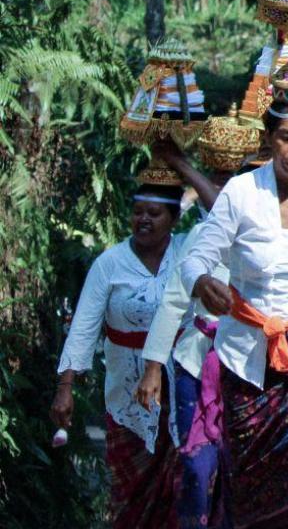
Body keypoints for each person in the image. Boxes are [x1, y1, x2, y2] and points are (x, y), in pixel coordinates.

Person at [179, 101, 288, 529]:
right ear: (269, 138)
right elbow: (196, 259)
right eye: (287, 137)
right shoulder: (241, 192)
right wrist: (202, 282)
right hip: (244, 362)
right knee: (250, 503)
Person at [52, 179, 186, 529]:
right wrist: (65, 388)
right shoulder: (109, 264)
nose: (144, 219)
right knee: (129, 494)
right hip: (127, 394)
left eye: (154, 213)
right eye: (138, 212)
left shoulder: (190, 251)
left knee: (183, 487)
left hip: (183, 389)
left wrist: (184, 167)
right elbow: (83, 327)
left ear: (174, 218)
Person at [136, 142, 232, 529]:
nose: (221, 192)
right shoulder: (200, 236)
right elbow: (174, 301)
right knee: (196, 464)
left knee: (238, 466)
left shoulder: (270, 229)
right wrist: (152, 368)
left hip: (249, 362)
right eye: (216, 183)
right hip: (195, 360)